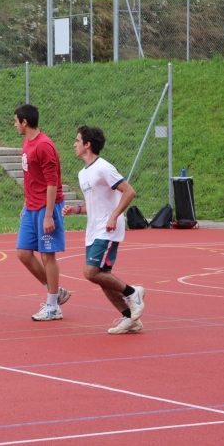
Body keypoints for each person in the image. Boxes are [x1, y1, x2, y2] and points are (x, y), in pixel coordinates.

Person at [62, 125, 145, 334]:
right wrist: (77, 209)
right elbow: (94, 202)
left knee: (91, 272)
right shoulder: (83, 173)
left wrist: (114, 215)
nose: (74, 144)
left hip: (107, 229)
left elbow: (129, 191)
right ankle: (130, 319)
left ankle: (133, 292)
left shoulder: (104, 168)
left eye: (77, 140)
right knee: (102, 276)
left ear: (87, 145)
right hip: (93, 230)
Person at [13, 104, 71, 321]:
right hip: (31, 206)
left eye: (15, 120)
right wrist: (26, 203)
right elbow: (32, 178)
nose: (14, 124)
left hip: (47, 207)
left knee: (48, 256)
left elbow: (52, 182)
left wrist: (48, 215)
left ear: (24, 122)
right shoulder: (27, 142)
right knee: (23, 253)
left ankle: (53, 306)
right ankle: (55, 291)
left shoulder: (44, 146)